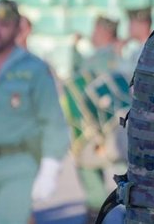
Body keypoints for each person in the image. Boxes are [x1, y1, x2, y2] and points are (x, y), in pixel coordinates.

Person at [0, 0, 70, 224]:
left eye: (4, 24)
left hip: (17, 164)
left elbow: (52, 121)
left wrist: (50, 169)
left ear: (18, 28)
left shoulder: (33, 68)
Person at [65, 15, 130, 222]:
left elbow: (83, 82)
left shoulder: (106, 58)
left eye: (95, 31)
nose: (93, 35)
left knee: (89, 167)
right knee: (126, 177)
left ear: (103, 32)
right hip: (119, 128)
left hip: (105, 129)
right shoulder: (110, 55)